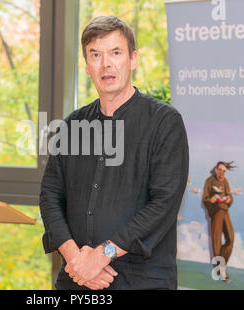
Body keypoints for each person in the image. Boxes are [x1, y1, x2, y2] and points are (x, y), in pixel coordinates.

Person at [39, 16, 189, 290]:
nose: (106, 64)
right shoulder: (73, 125)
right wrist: (77, 260)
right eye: (95, 55)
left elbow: (163, 204)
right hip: (76, 278)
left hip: (143, 280)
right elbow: (50, 196)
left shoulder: (164, 122)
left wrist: (101, 256)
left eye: (115, 53)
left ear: (132, 59)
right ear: (87, 66)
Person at [202, 161, 235, 283]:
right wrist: (211, 200)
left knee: (230, 239)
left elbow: (230, 197)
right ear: (216, 170)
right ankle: (220, 271)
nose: (222, 173)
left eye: (224, 171)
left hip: (225, 211)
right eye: (220, 170)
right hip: (216, 212)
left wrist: (228, 199)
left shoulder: (225, 182)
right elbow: (205, 199)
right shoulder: (209, 181)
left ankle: (221, 266)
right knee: (216, 242)